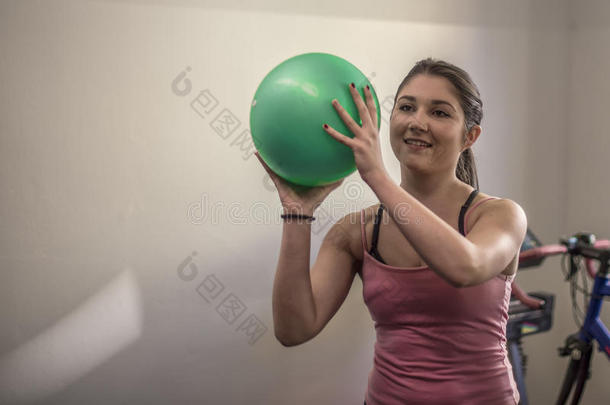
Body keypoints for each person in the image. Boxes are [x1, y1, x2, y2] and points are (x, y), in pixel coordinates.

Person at [255, 58, 527, 405]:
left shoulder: (500, 216)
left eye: (440, 113)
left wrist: (377, 177)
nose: (417, 122)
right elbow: (294, 330)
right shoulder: (357, 232)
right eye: (407, 107)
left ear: (469, 136)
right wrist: (297, 213)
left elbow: (466, 267)